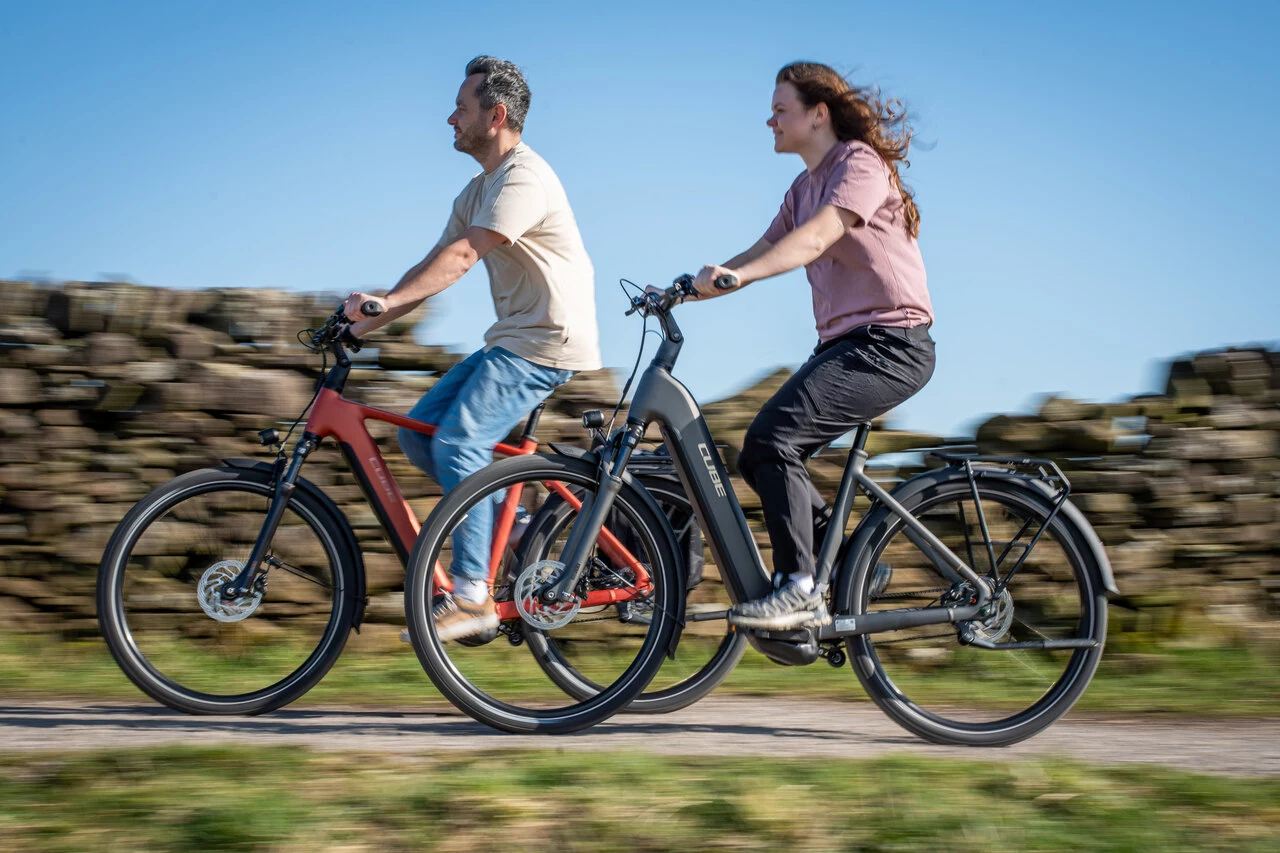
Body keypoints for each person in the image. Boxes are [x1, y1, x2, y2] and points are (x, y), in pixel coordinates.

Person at [343, 56, 601, 641]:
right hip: (513, 339)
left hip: (546, 341)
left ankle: (471, 596)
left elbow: (462, 260)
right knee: (419, 432)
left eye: (461, 107)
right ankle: (512, 533)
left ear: (496, 115)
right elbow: (431, 267)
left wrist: (384, 306)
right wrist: (367, 319)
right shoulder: (478, 189)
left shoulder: (523, 179)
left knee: (462, 440)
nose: (450, 117)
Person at [688, 61, 936, 630]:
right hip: (847, 345)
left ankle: (800, 588)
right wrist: (685, 289)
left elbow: (817, 238)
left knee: (777, 439)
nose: (769, 120)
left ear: (817, 114)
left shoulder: (860, 165)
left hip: (891, 344)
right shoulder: (802, 188)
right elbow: (758, 250)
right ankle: (850, 564)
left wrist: (739, 278)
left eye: (780, 110)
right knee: (757, 452)